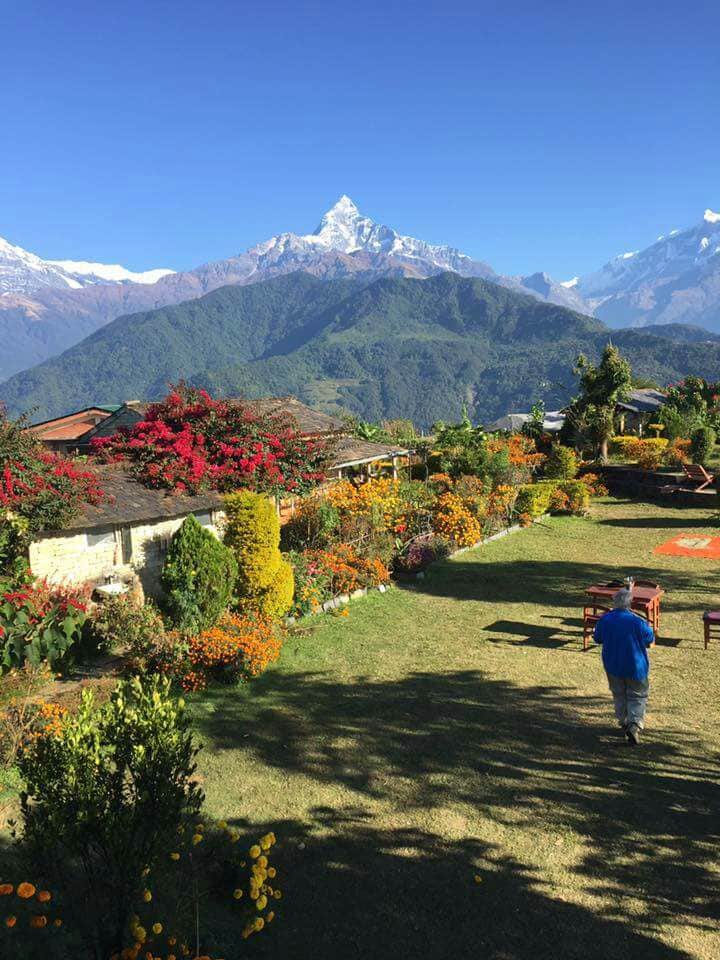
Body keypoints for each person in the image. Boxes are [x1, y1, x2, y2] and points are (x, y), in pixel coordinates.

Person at [594, 587, 655, 745]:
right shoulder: (637, 621)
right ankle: (634, 723)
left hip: (613, 664)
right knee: (637, 695)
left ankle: (623, 721)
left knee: (619, 693)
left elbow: (597, 638)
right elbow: (650, 638)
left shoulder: (605, 619)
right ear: (630, 603)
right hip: (636, 666)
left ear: (614, 602)